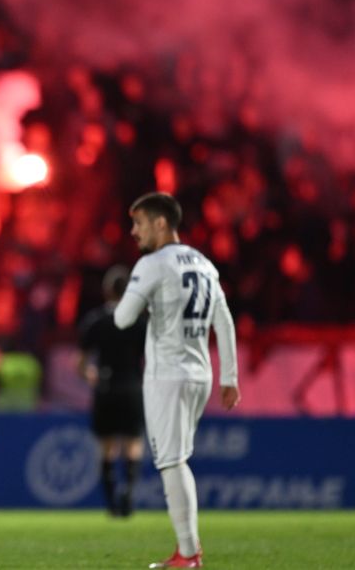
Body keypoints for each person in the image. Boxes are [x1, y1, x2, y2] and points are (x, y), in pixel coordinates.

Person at [114, 192, 239, 569]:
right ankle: (187, 551)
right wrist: (229, 377)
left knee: (172, 462)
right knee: (177, 458)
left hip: (168, 375)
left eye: (139, 223)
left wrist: (143, 299)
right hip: (200, 374)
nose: (134, 231)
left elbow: (122, 318)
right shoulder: (203, 263)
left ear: (161, 223)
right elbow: (224, 321)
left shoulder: (152, 264)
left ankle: (188, 553)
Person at [78, 265, 146, 517]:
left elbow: (81, 363)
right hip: (132, 386)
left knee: (107, 447)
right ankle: (128, 492)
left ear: (107, 290)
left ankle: (111, 502)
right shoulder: (140, 322)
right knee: (133, 444)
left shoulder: (96, 321)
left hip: (106, 386)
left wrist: (90, 375)